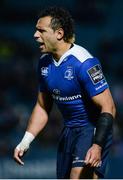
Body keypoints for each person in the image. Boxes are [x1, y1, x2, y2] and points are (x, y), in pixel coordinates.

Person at [13, 6, 116, 179]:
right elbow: (42, 107)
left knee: (77, 176)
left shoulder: (84, 62)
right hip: (69, 131)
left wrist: (98, 145)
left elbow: (109, 107)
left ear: (59, 34)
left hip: (91, 129)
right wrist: (25, 142)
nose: (35, 35)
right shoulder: (44, 63)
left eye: (41, 30)